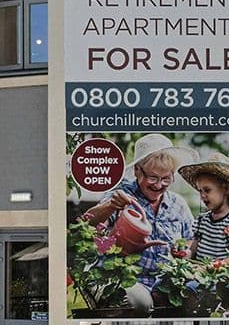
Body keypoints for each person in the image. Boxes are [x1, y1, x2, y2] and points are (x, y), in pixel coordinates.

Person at [75, 134, 196, 313]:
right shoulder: (121, 196)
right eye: (153, 178)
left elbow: (190, 243)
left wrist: (185, 252)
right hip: (124, 279)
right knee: (140, 303)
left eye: (166, 179)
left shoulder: (178, 205)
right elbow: (86, 225)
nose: (159, 185)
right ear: (137, 170)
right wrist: (110, 206)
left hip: (163, 283)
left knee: (195, 293)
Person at [179, 151, 229, 265]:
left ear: (226, 189)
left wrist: (211, 267)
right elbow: (193, 250)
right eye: (200, 191)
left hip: (222, 278)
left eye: (207, 190)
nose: (202, 195)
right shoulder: (202, 220)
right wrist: (184, 254)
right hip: (198, 275)